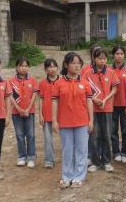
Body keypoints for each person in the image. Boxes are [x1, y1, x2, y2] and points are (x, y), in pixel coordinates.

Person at [52, 52, 94, 188]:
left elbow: (89, 102)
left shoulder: (85, 83)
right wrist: (54, 120)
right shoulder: (59, 83)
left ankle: (79, 177)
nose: (77, 66)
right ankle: (67, 176)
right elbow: (55, 102)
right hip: (65, 122)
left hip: (82, 121)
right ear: (66, 64)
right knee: (67, 150)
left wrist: (91, 120)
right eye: (74, 63)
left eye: (79, 63)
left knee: (82, 150)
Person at [84, 47, 119, 173]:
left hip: (107, 108)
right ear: (94, 59)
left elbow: (114, 89)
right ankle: (95, 161)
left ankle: (106, 161)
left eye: (104, 58)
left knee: (107, 135)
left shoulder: (111, 72)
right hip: (93, 109)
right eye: (99, 58)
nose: (102, 61)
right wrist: (94, 99)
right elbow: (85, 91)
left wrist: (105, 100)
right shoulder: (87, 73)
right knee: (94, 136)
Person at [10, 57, 38, 169]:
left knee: (30, 135)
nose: (24, 68)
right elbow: (10, 96)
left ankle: (31, 157)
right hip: (16, 113)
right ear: (17, 67)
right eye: (21, 66)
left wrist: (27, 109)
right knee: (20, 135)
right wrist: (19, 109)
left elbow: (34, 96)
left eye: (26, 66)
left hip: (29, 112)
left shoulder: (32, 80)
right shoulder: (10, 82)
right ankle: (21, 157)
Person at [111, 46, 126, 164]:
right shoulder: (109, 70)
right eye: (117, 53)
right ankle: (115, 152)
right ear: (113, 55)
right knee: (113, 131)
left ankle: (125, 152)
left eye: (121, 53)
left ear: (124, 55)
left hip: (125, 105)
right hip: (112, 106)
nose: (119, 56)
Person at [38, 58, 60, 168]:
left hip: (62, 115)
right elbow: (41, 99)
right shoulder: (42, 83)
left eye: (54, 66)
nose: (52, 69)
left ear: (57, 67)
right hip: (46, 114)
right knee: (48, 139)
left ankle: (68, 158)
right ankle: (49, 160)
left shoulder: (62, 81)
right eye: (49, 67)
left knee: (66, 138)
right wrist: (40, 114)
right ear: (46, 70)